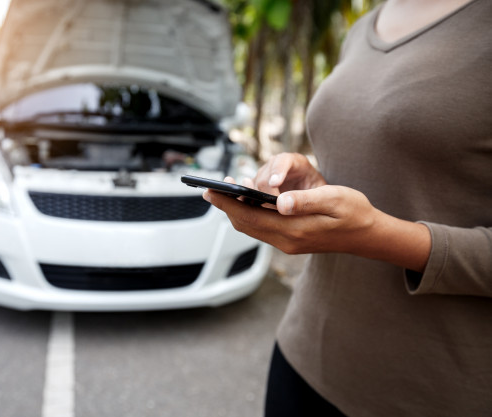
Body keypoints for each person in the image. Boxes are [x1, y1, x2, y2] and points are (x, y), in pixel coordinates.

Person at [203, 0, 492, 415]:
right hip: (304, 354)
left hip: (428, 391)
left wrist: (376, 237)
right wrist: (316, 180)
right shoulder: (368, 24)